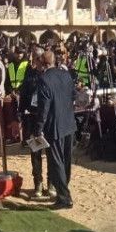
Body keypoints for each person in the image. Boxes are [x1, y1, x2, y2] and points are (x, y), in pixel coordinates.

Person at [36, 50, 76, 209]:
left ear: (43, 63)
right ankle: (63, 190)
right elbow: (73, 96)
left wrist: (39, 128)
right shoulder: (66, 75)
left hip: (54, 126)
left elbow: (43, 107)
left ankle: (64, 198)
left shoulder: (44, 79)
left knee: (56, 162)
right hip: (69, 123)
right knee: (66, 160)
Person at [17, 51, 46, 197]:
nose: (33, 60)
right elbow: (23, 95)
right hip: (34, 119)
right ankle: (38, 183)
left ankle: (52, 183)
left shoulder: (50, 75)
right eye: (33, 58)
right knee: (36, 153)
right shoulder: (29, 75)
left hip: (48, 120)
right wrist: (20, 112)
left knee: (52, 154)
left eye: (36, 58)